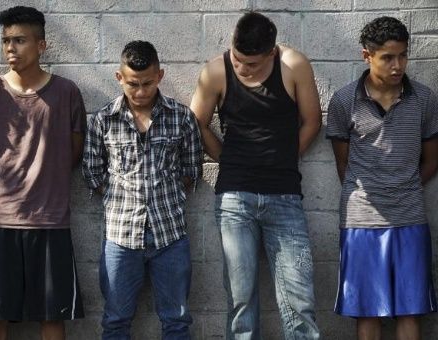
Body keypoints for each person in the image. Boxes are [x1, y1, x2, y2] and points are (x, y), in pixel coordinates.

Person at [190, 11, 321, 339]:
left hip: (285, 196)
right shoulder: (216, 71)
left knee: (299, 301)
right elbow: (195, 124)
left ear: (272, 53)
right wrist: (228, 158)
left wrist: (284, 159)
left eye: (252, 64)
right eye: (238, 59)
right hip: (235, 198)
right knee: (240, 299)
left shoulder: (294, 66)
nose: (242, 68)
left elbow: (312, 121)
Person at [0, 6, 86, 340]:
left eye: (19, 40)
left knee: (52, 315)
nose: (10, 48)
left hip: (50, 220)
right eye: (6, 40)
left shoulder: (67, 93)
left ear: (41, 45)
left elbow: (74, 150)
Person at [82, 40, 202, 340]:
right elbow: (93, 174)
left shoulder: (181, 117)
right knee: (115, 321)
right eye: (132, 83)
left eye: (147, 83)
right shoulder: (103, 121)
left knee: (176, 320)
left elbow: (191, 169)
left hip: (170, 235)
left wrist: (164, 195)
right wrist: (122, 198)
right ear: (119, 77)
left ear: (159, 76)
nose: (140, 91)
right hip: (120, 237)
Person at [327, 16, 438, 340]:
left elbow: (432, 160)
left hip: (410, 217)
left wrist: (404, 187)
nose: (397, 65)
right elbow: (343, 164)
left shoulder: (425, 99)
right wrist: (371, 191)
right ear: (367, 56)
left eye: (402, 55)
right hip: (361, 221)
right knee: (368, 312)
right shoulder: (345, 101)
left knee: (410, 309)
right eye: (388, 57)